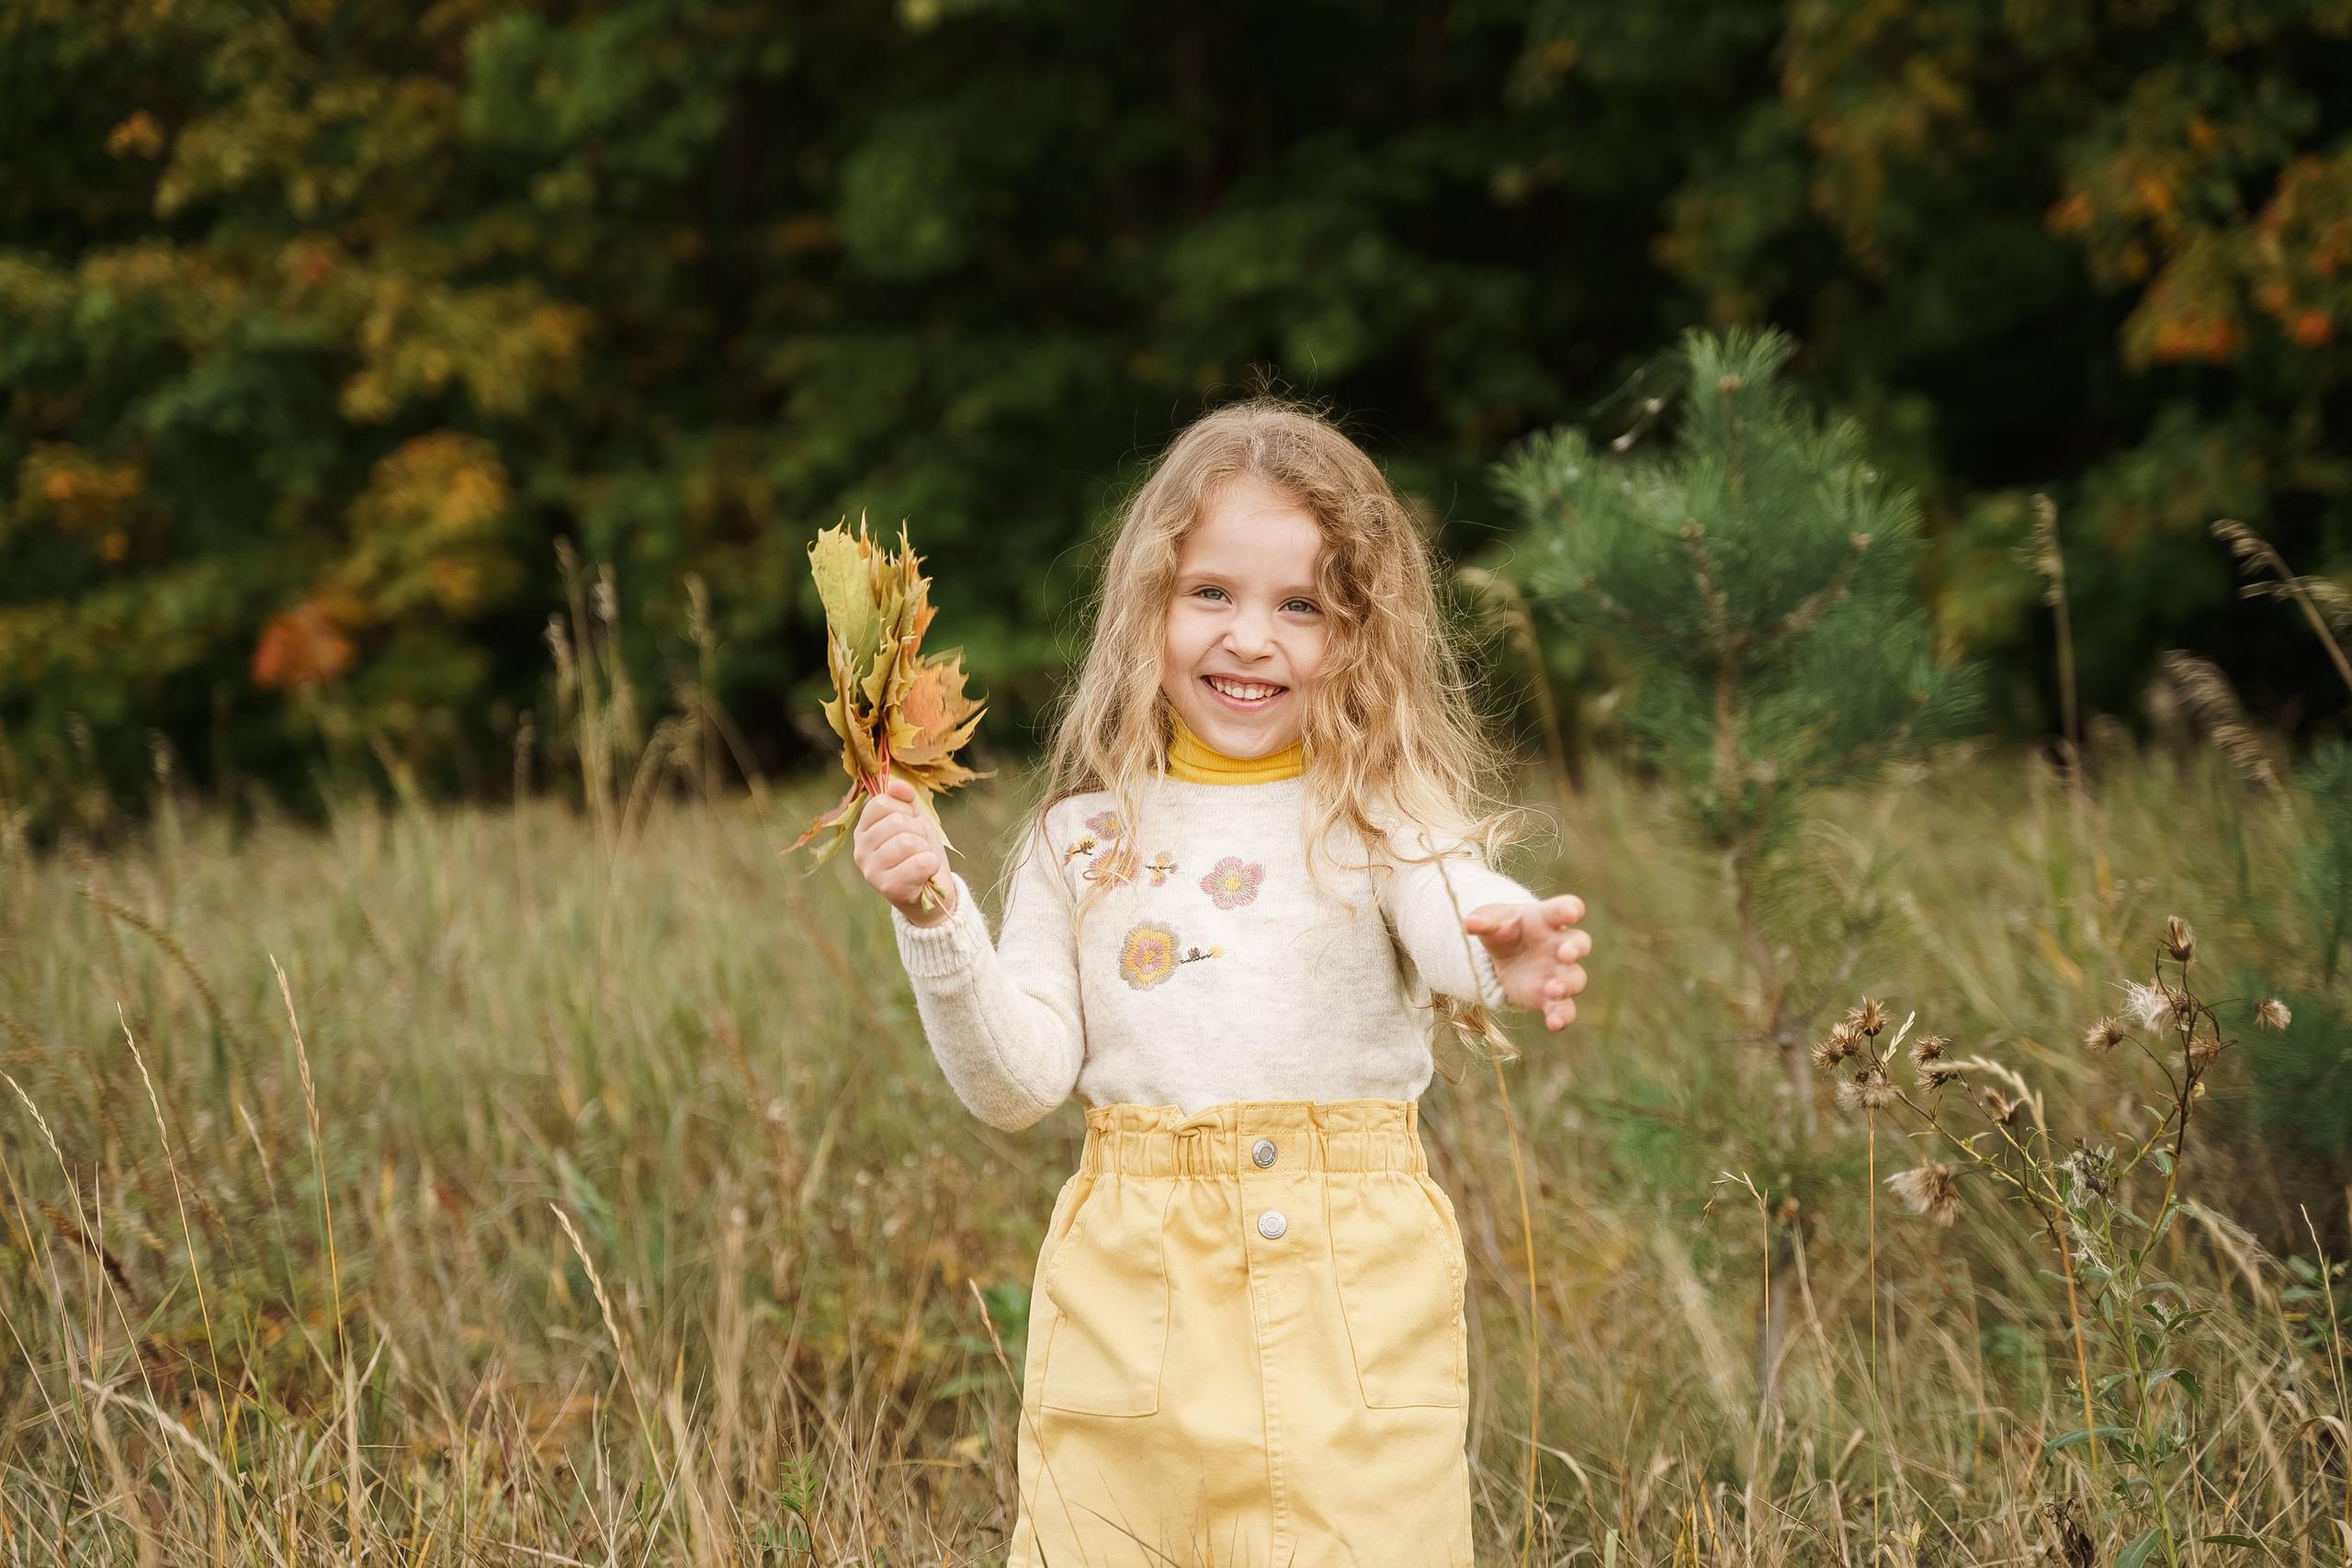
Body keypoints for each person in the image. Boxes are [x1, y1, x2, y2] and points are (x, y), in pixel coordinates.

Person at [851, 400, 1590, 1567]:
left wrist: (1499, 941)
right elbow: (1018, 1085)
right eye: (1212, 594)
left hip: (1351, 1302)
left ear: (1362, 637)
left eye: (1301, 606)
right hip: (1134, 1310)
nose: (1251, 637)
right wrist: (936, 915)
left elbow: (1449, 900)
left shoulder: (1377, 816)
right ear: (1147, 606)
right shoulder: (1079, 842)